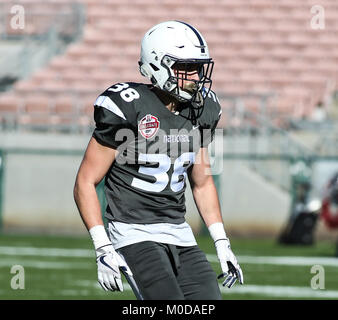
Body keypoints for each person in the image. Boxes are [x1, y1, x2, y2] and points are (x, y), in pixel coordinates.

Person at [74, 20, 243, 300]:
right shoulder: (129, 106)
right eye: (184, 68)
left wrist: (222, 242)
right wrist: (102, 247)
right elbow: (85, 181)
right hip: (132, 230)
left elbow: (202, 183)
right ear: (157, 65)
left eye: (197, 68)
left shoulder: (203, 110)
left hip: (178, 230)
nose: (194, 76)